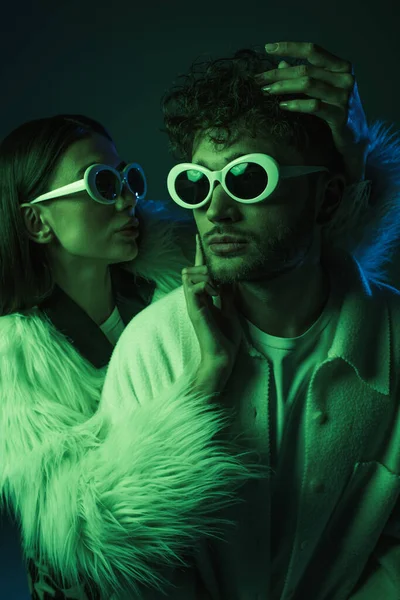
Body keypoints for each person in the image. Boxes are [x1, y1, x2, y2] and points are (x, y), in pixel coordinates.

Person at [100, 42, 400, 599]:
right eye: (196, 182)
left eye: (247, 179)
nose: (216, 209)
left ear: (328, 199)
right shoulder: (153, 346)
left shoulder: (393, 337)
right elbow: (125, 552)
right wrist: (197, 391)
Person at [0, 113, 267, 600]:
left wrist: (348, 156)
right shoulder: (13, 359)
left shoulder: (176, 262)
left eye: (128, 178)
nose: (128, 199)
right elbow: (88, 523)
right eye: (102, 184)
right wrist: (205, 379)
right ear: (37, 221)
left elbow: (295, 253)